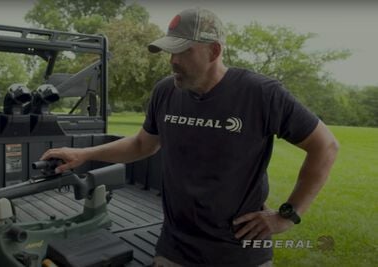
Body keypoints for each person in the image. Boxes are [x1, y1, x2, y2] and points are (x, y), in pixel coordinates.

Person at [41, 7, 339, 267]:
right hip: (174, 248)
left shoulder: (260, 93)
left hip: (238, 254)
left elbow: (325, 146)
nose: (173, 60)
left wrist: (287, 216)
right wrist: (84, 155)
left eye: (183, 51)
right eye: (170, 51)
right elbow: (143, 144)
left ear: (214, 51)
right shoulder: (166, 91)